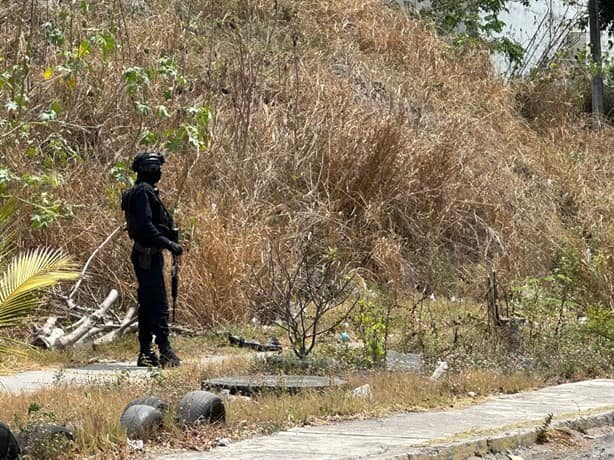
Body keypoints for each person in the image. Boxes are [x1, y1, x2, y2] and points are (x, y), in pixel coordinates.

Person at [121, 152, 183, 368]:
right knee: (158, 304)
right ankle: (164, 349)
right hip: (146, 255)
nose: (160, 173)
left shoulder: (146, 192)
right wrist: (170, 244)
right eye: (157, 169)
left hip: (149, 255)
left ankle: (146, 352)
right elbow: (146, 227)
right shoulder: (142, 193)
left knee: (148, 305)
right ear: (149, 170)